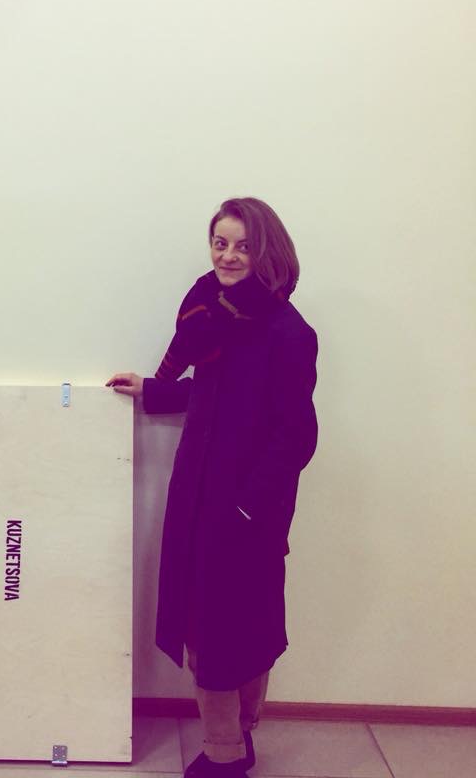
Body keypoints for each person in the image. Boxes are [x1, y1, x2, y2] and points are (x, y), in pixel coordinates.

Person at [107, 197, 318, 778]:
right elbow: (211, 393)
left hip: (247, 510)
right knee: (207, 624)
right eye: (220, 243)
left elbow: (297, 434)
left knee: (235, 629)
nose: (227, 256)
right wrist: (151, 388)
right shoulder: (216, 320)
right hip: (200, 496)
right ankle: (232, 741)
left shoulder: (288, 332)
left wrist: (248, 507)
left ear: (267, 252)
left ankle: (229, 748)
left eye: (243, 246)